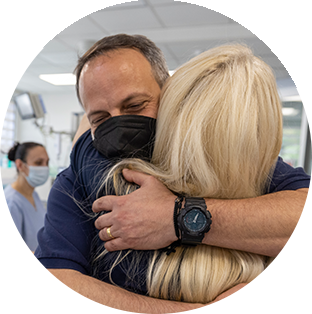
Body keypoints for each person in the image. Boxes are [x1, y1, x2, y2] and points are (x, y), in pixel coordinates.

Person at [32, 34, 312, 314]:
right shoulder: (81, 174)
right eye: (100, 119)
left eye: (135, 106)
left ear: (170, 93)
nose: (119, 126)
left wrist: (177, 218)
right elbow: (53, 298)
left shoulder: (218, 150)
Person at [0, 142, 49, 267]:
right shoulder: (11, 202)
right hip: (24, 272)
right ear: (20, 165)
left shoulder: (34, 195)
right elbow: (5, 252)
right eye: (38, 163)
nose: (44, 167)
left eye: (46, 163)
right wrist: (48, 261)